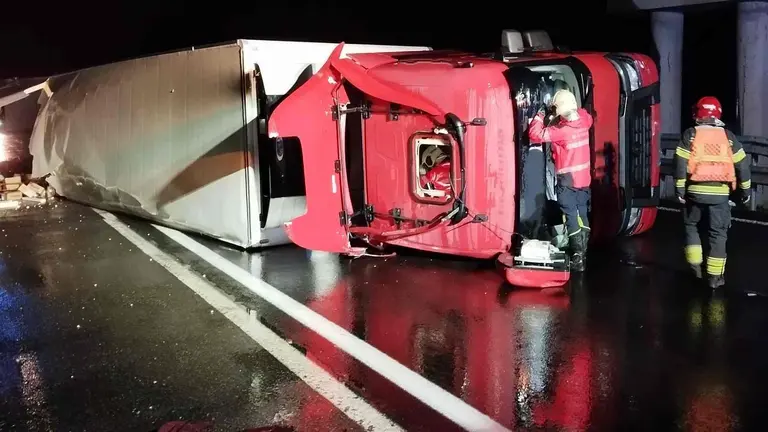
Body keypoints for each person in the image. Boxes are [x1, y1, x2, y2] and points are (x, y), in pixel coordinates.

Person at [673, 96, 751, 289]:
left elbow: (680, 163)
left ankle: (695, 267)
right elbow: (743, 166)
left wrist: (680, 188)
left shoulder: (690, 134)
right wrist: (745, 190)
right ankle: (715, 279)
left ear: (698, 113)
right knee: (718, 233)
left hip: (695, 192)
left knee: (691, 226)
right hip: (720, 194)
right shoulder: (728, 136)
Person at [528, 89, 594, 272]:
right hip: (584, 179)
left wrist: (541, 115)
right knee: (582, 215)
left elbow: (536, 135)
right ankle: (583, 252)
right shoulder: (584, 121)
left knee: (571, 216)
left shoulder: (561, 131)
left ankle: (577, 256)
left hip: (568, 180)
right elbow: (585, 113)